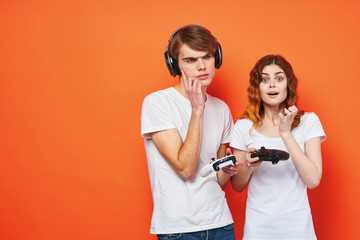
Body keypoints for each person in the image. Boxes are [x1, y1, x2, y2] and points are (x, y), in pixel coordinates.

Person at [141, 25, 240, 239]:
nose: (202, 66)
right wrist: (197, 111)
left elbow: (216, 178)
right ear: (174, 65)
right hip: (180, 229)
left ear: (217, 58)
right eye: (190, 60)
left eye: (207, 56)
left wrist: (227, 170)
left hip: (220, 222)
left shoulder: (222, 109)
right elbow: (186, 169)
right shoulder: (158, 103)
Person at [230, 54, 326, 240]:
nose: (272, 85)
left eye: (279, 78)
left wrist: (285, 133)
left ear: (288, 85)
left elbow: (313, 180)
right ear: (257, 87)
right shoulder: (243, 126)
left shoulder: (309, 122)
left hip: (298, 229)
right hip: (258, 229)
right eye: (265, 79)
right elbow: (237, 186)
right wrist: (249, 166)